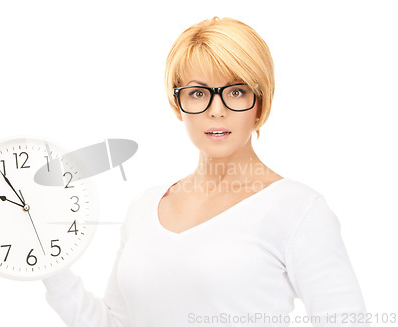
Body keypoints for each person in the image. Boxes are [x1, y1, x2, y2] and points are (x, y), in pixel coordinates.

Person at [42, 17, 368, 326]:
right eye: (198, 93)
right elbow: (117, 323)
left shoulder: (299, 210)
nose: (216, 110)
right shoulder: (143, 207)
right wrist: (49, 264)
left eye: (236, 91)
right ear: (177, 103)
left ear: (260, 100)